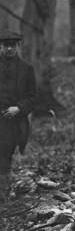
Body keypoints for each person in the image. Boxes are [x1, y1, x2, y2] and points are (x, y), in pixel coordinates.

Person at [0, 31, 36, 202]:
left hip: (13, 121)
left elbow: (33, 96)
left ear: (18, 46)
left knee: (5, 154)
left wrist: (19, 108)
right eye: (5, 45)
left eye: (12, 45)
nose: (9, 48)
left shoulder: (27, 69)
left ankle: (3, 193)